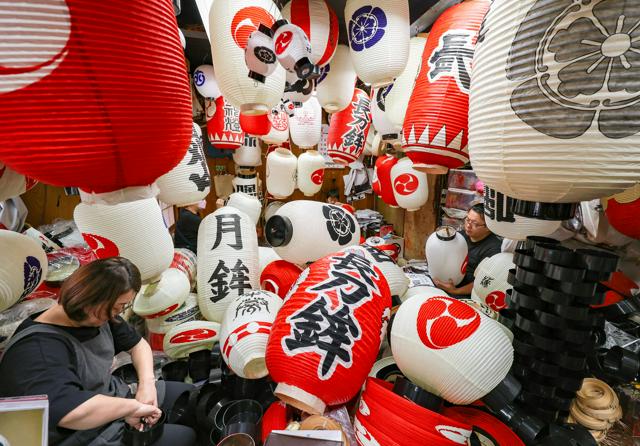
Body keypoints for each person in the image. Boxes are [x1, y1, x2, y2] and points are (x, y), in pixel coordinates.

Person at [0, 258, 196, 446]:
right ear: (91, 300)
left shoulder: (98, 315)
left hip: (108, 397)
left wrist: (147, 385)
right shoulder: (38, 352)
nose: (117, 314)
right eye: (118, 307)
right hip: (75, 432)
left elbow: (138, 345)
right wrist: (132, 407)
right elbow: (72, 414)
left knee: (190, 398)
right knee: (184, 437)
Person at [434, 203, 501, 298]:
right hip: (450, 282)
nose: (468, 225)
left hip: (466, 293)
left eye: (475, 223)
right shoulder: (460, 236)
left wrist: (456, 291)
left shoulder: (493, 249)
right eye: (467, 220)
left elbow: (482, 282)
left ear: (488, 227)